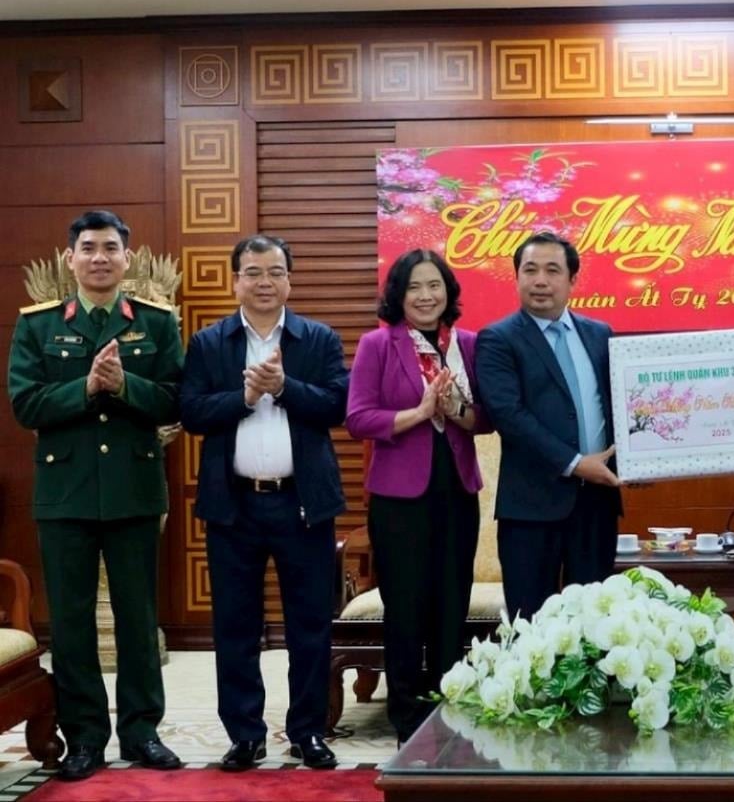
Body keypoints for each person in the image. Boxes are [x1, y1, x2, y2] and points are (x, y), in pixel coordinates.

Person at [7, 210, 184, 781]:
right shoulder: (37, 325)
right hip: (65, 495)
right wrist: (85, 387)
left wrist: (125, 384)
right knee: (73, 621)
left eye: (111, 247)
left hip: (133, 492)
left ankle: (141, 732)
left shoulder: (157, 323)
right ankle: (83, 737)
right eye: (88, 248)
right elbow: (25, 405)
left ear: (127, 258)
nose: (100, 257)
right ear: (71, 259)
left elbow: (176, 401)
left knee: (137, 617)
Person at [179, 235, 348, 771]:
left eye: (274, 272)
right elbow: (192, 412)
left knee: (310, 624)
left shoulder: (316, 338)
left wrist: (286, 387)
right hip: (235, 506)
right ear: (236, 281)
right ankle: (245, 735)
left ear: (290, 280)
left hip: (303, 504)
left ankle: (307, 731)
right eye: (253, 273)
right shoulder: (210, 343)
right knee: (234, 624)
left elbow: (338, 406)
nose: (264, 282)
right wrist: (247, 398)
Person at [346, 249, 490, 744]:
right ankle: (405, 713)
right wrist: (420, 410)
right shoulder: (377, 345)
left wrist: (455, 408)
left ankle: (447, 701)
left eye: (435, 286)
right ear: (398, 295)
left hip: (457, 490)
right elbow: (358, 418)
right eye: (414, 287)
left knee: (452, 603)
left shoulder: (467, 344)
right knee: (405, 606)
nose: (426, 296)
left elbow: (484, 421)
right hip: (399, 498)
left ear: (448, 292)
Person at [476, 232, 621, 620]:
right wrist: (575, 462)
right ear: (517, 277)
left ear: (573, 280)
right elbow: (510, 416)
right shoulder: (498, 339)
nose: (541, 280)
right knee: (531, 627)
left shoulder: (599, 334)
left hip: (596, 504)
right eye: (530, 270)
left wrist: (638, 459)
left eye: (553, 270)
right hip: (530, 510)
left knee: (594, 624)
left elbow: (620, 407)